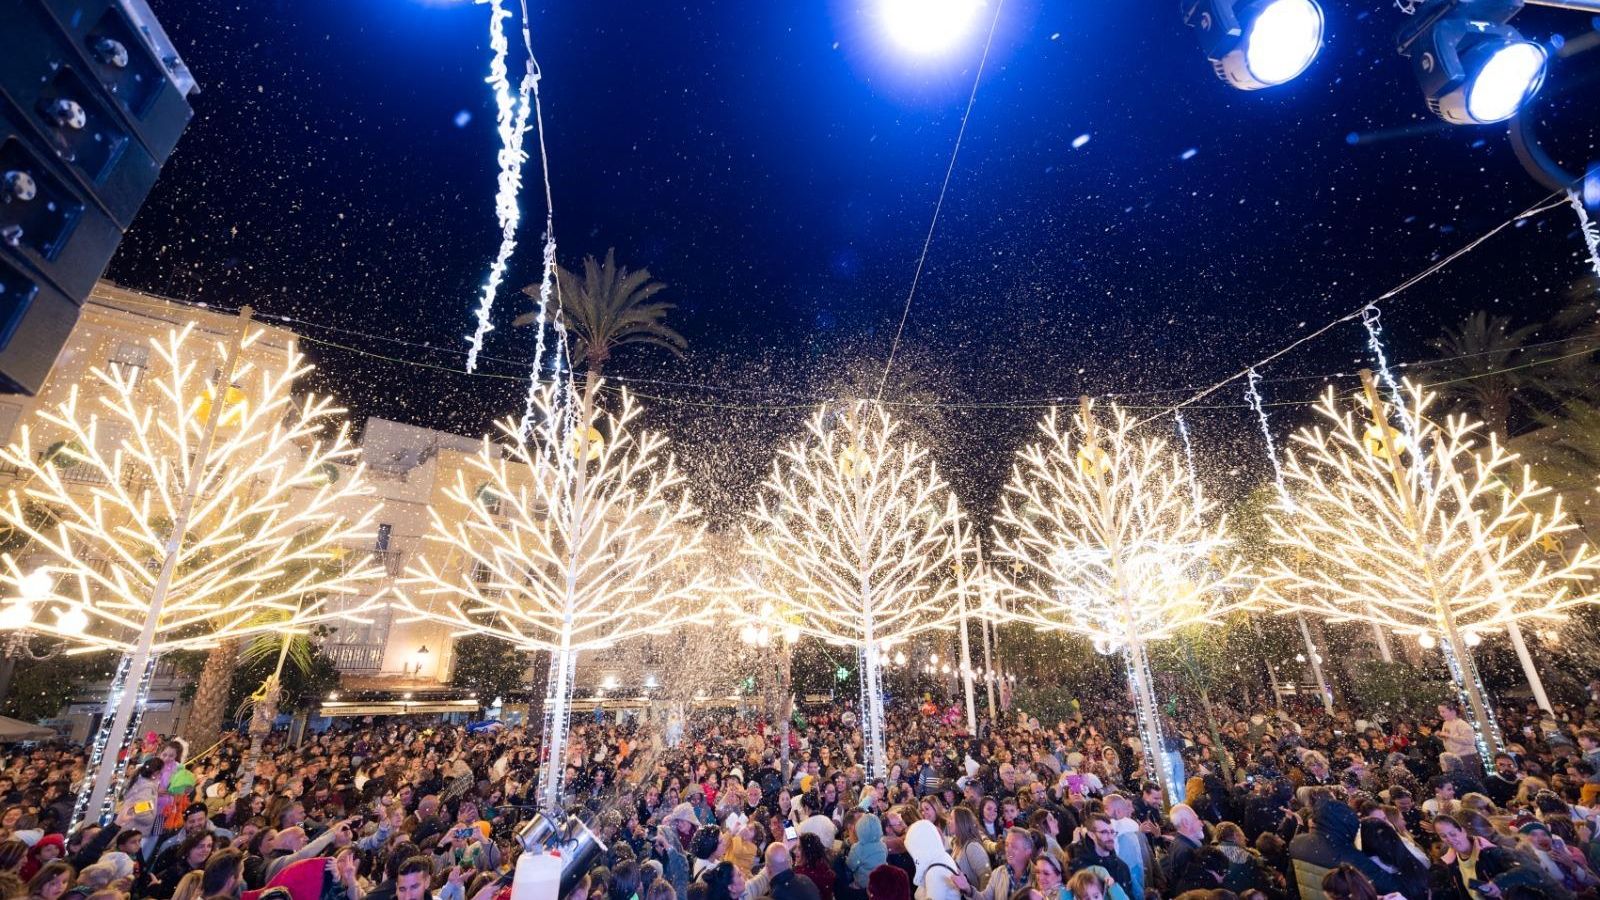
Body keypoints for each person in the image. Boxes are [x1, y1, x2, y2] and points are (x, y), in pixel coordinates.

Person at [1067, 815, 1135, 900]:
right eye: (1104, 832)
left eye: (1112, 832)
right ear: (1091, 835)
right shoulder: (1079, 866)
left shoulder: (1121, 866)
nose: (1110, 837)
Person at [846, 814, 888, 892]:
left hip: (864, 883)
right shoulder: (883, 845)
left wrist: (846, 859)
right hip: (882, 880)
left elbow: (851, 866)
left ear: (859, 829)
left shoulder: (857, 848)